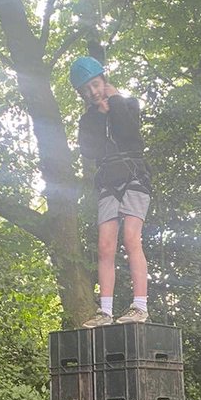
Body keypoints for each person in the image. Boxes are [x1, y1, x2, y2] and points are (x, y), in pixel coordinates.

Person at [69, 55, 152, 327]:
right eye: (86, 89)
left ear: (103, 79)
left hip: (134, 177)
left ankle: (140, 306)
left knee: (131, 238)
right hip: (107, 181)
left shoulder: (128, 104)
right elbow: (89, 151)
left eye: (95, 84)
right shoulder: (87, 120)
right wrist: (96, 117)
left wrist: (114, 102)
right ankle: (105, 311)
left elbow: (131, 135)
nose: (93, 92)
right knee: (105, 246)